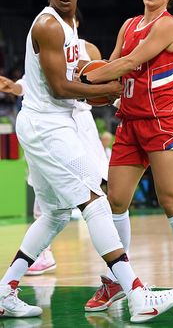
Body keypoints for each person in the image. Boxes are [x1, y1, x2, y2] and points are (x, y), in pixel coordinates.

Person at [0, 0, 173, 323]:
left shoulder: (72, 28)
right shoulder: (49, 27)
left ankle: (6, 291)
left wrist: (109, 90)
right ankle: (136, 293)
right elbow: (60, 86)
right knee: (97, 201)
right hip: (46, 125)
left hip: (55, 121)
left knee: (54, 213)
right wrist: (118, 88)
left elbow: (74, 82)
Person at [82, 0, 173, 316]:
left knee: (171, 201)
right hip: (129, 122)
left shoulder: (168, 24)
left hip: (161, 121)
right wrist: (96, 85)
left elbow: (129, 63)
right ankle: (117, 280)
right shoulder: (129, 24)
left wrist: (80, 80)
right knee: (116, 202)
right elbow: (113, 64)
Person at [0, 38, 109, 275]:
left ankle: (117, 255)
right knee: (47, 194)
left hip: (80, 121)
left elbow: (100, 82)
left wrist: (112, 94)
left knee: (99, 186)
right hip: (51, 123)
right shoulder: (49, 44)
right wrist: (13, 87)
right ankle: (42, 253)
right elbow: (30, 84)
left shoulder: (89, 48)